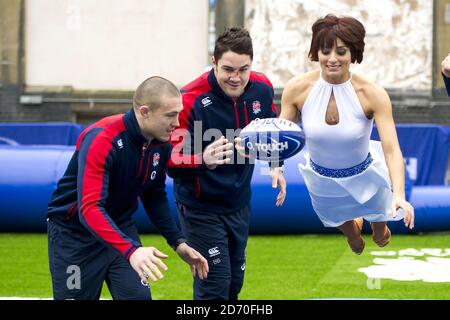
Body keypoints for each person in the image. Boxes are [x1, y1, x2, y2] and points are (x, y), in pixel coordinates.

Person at [47, 76, 208, 300]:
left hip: (120, 229)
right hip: (75, 237)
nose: (177, 122)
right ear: (144, 112)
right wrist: (131, 251)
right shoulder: (102, 139)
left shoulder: (161, 141)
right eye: (170, 115)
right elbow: (90, 208)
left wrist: (178, 242)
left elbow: (154, 194)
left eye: (178, 113)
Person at [271, 14, 414, 255]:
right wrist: (276, 167)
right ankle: (354, 233)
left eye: (341, 51)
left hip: (367, 175)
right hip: (322, 181)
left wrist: (399, 194)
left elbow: (391, 149)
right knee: (354, 240)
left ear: (353, 53)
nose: (332, 59)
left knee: (381, 238)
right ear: (316, 52)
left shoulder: (372, 94)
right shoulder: (297, 89)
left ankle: (378, 229)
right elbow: (280, 136)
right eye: (325, 51)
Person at [167, 27, 281, 300]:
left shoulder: (262, 89)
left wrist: (276, 165)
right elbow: (170, 162)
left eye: (243, 70)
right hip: (199, 207)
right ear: (214, 61)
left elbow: (272, 130)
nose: (235, 77)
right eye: (228, 69)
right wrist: (202, 159)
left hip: (239, 203)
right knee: (215, 286)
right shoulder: (189, 99)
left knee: (233, 286)